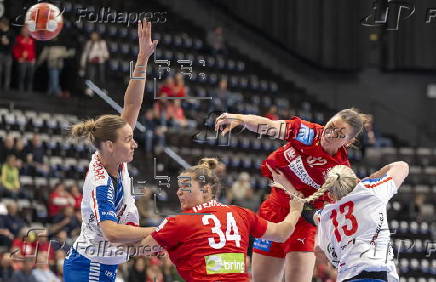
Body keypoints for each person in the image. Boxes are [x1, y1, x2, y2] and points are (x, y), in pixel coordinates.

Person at [215, 108, 368, 282]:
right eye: (331, 126)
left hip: (303, 222)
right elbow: (271, 125)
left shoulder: (340, 171)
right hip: (273, 212)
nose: (330, 134)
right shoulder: (308, 133)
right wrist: (241, 119)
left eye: (340, 134)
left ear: (348, 142)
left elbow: (328, 211)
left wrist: (290, 189)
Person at [63, 20, 158, 282]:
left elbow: (132, 102)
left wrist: (142, 58)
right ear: (109, 145)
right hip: (89, 268)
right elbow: (112, 232)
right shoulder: (100, 182)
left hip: (103, 265)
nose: (134, 143)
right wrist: (161, 229)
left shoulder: (114, 157)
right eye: (129, 140)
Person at [139, 158, 304, 282]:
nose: (179, 193)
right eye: (179, 188)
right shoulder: (241, 213)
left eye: (185, 187)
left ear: (206, 190)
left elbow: (144, 248)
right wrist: (296, 209)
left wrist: (165, 243)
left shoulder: (178, 222)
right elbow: (282, 233)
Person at [282, 161, 409, 282]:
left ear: (331, 196)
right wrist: (375, 176)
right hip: (377, 273)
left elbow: (308, 213)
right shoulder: (371, 190)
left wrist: (286, 186)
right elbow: (402, 166)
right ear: (357, 180)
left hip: (347, 276)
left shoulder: (326, 216)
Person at [12, 27, 36, 92]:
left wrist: (33, 58)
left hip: (30, 61)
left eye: (27, 30)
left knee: (29, 77)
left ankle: (29, 91)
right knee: (21, 76)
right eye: (24, 30)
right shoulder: (18, 39)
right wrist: (18, 57)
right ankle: (20, 91)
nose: (25, 31)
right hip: (22, 60)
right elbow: (15, 49)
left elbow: (33, 50)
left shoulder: (31, 39)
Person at [0, 18, 13, 91]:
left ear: (3, 24)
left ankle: (6, 88)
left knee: (7, 72)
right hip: (0, 53)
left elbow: (13, 44)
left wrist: (8, 43)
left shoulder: (11, 33)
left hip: (8, 55)